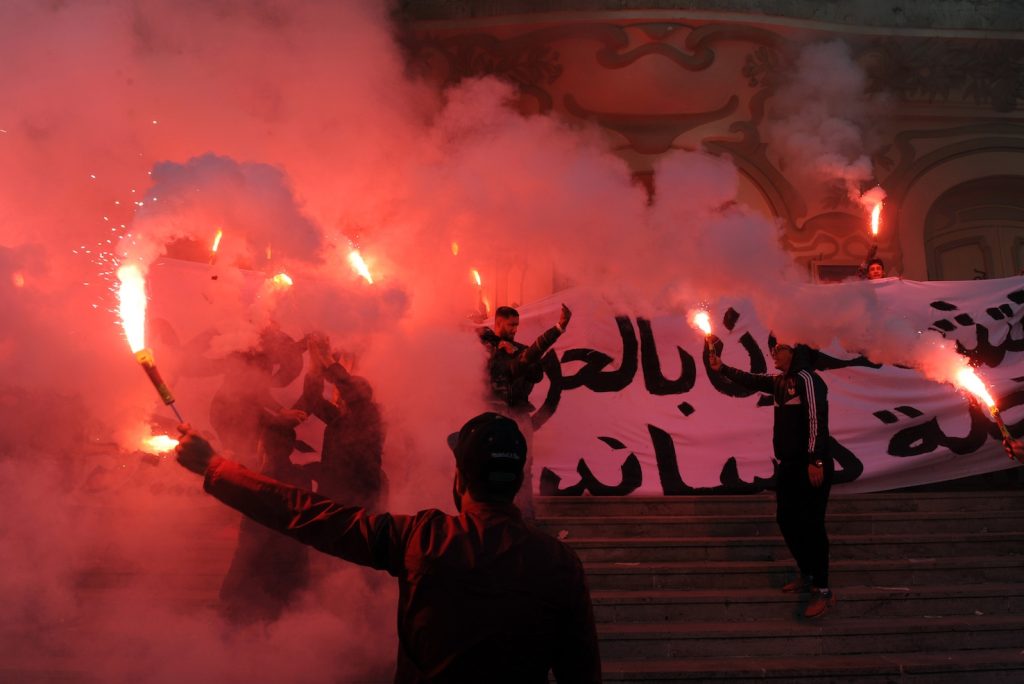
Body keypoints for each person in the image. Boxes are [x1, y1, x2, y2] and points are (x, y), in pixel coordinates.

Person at [175, 412, 601, 683]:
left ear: (459, 480)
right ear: (517, 483)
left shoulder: (424, 539)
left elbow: (310, 515)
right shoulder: (560, 564)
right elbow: (581, 675)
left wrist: (216, 469)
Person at [708, 340, 836, 618]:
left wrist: (815, 459)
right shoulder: (781, 382)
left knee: (812, 525)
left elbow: (816, 420)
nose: (773, 353)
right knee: (786, 519)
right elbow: (753, 380)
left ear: (794, 352)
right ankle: (807, 573)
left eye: (779, 349)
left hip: (812, 464)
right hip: (790, 465)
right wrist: (722, 369)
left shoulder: (808, 380)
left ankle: (823, 590)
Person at [478, 304, 572, 517]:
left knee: (524, 465)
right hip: (492, 415)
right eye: (511, 325)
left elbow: (534, 370)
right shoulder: (482, 348)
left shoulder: (520, 349)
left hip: (519, 415)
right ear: (498, 323)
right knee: (491, 464)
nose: (514, 329)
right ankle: (491, 515)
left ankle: (526, 517)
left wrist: (557, 329)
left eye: (517, 325)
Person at [297, 333, 386, 510]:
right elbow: (313, 399)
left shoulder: (370, 414)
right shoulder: (340, 419)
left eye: (341, 390)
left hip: (361, 495)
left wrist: (328, 361)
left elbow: (350, 388)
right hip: (336, 493)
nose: (337, 393)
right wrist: (315, 368)